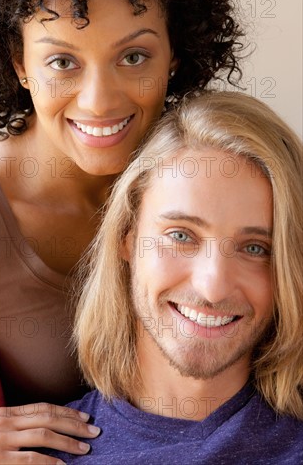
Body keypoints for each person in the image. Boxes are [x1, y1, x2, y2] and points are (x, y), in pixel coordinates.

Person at [0, 0, 243, 461]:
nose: (100, 101)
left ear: (174, 53)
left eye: (133, 56)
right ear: (18, 63)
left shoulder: (205, 173)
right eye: (62, 61)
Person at [42, 92, 303, 463]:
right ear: (126, 235)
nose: (212, 286)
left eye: (256, 248)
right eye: (181, 235)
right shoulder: (38, 454)